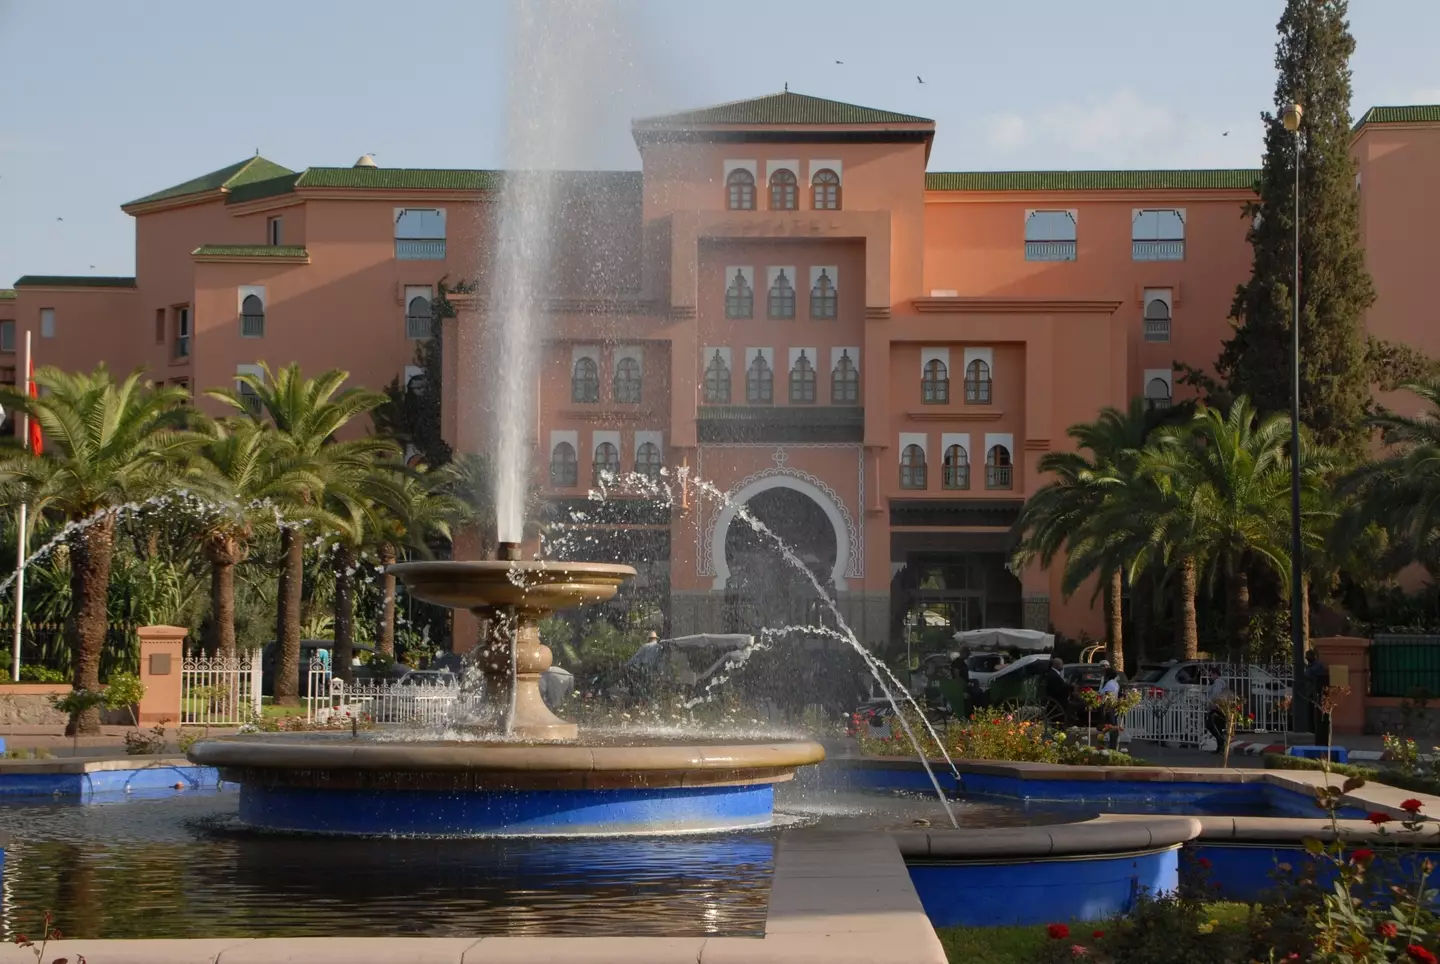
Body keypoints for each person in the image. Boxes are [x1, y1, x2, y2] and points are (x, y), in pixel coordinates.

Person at [1305, 649, 1331, 745]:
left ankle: (1315, 732)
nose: (1307, 658)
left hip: (1316, 694)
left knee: (1316, 714)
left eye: (1309, 656)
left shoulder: (1317, 666)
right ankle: (1311, 730)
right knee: (1310, 714)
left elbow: (1308, 675)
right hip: (1310, 693)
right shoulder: (1311, 666)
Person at [1205, 672, 1233, 755]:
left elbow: (1216, 695)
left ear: (1216, 674)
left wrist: (1214, 704)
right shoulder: (1217, 683)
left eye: (1211, 675)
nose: (1209, 677)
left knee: (1211, 725)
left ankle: (1222, 745)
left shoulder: (1218, 682)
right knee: (1216, 727)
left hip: (1217, 708)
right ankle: (1220, 746)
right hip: (1218, 708)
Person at [1044, 656, 1073, 726]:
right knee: (1072, 705)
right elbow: (1060, 687)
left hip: (1056, 697)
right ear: (1056, 665)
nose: (1062, 666)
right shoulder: (1054, 675)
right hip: (1057, 699)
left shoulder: (1054, 673)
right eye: (1061, 664)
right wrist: (1070, 686)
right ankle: (1069, 722)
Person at [1099, 667, 1122, 749]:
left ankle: (1110, 747)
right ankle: (1112, 746)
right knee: (1112, 726)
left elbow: (1108, 695)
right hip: (1112, 707)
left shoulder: (1110, 684)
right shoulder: (1115, 683)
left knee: (1110, 727)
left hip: (1109, 707)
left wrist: (1106, 708)